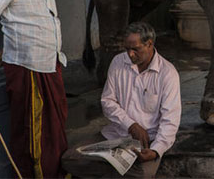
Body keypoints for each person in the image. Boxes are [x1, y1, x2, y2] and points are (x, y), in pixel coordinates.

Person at [0, 0, 68, 178]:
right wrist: (10, 46)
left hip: (51, 61)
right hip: (28, 67)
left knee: (55, 124)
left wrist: (8, 43)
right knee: (32, 129)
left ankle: (56, 170)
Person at [62, 22, 181, 178]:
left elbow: (170, 121)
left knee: (141, 174)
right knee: (70, 159)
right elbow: (107, 101)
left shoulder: (168, 74)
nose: (130, 54)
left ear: (150, 44)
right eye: (127, 49)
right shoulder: (118, 62)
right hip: (116, 134)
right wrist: (131, 125)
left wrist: (154, 151)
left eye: (135, 49)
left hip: (148, 141)